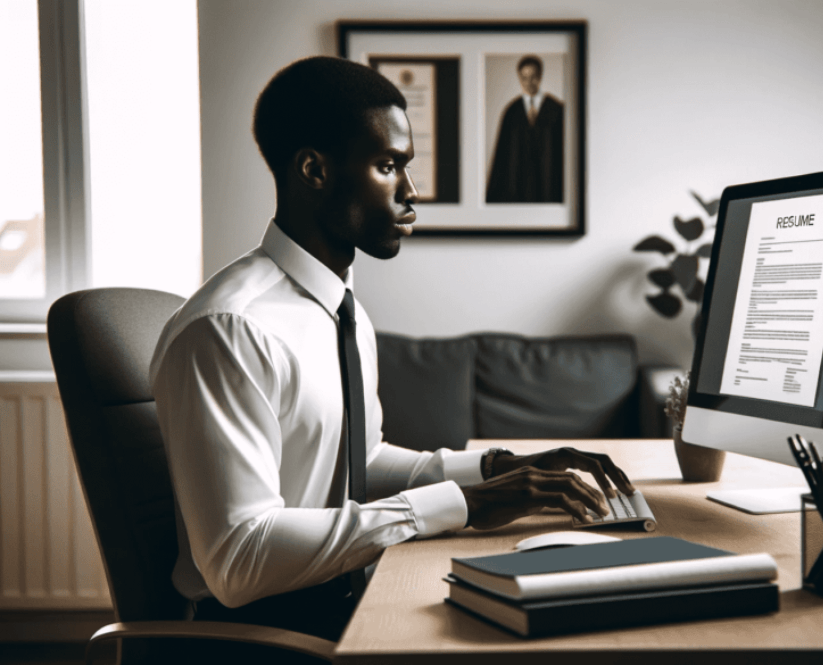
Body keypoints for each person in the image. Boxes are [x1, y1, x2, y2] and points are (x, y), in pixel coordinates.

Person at [148, 56, 632, 648]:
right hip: (271, 637)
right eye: (388, 166)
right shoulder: (230, 329)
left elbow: (360, 463)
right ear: (314, 170)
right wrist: (462, 505)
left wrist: (502, 469)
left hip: (346, 597)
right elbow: (239, 559)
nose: (412, 192)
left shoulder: (340, 307)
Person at [485, 54, 565, 203]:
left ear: (540, 76)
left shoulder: (557, 110)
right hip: (519, 193)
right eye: (524, 77)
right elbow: (502, 159)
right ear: (519, 78)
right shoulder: (511, 112)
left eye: (533, 76)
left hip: (550, 190)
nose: (528, 82)